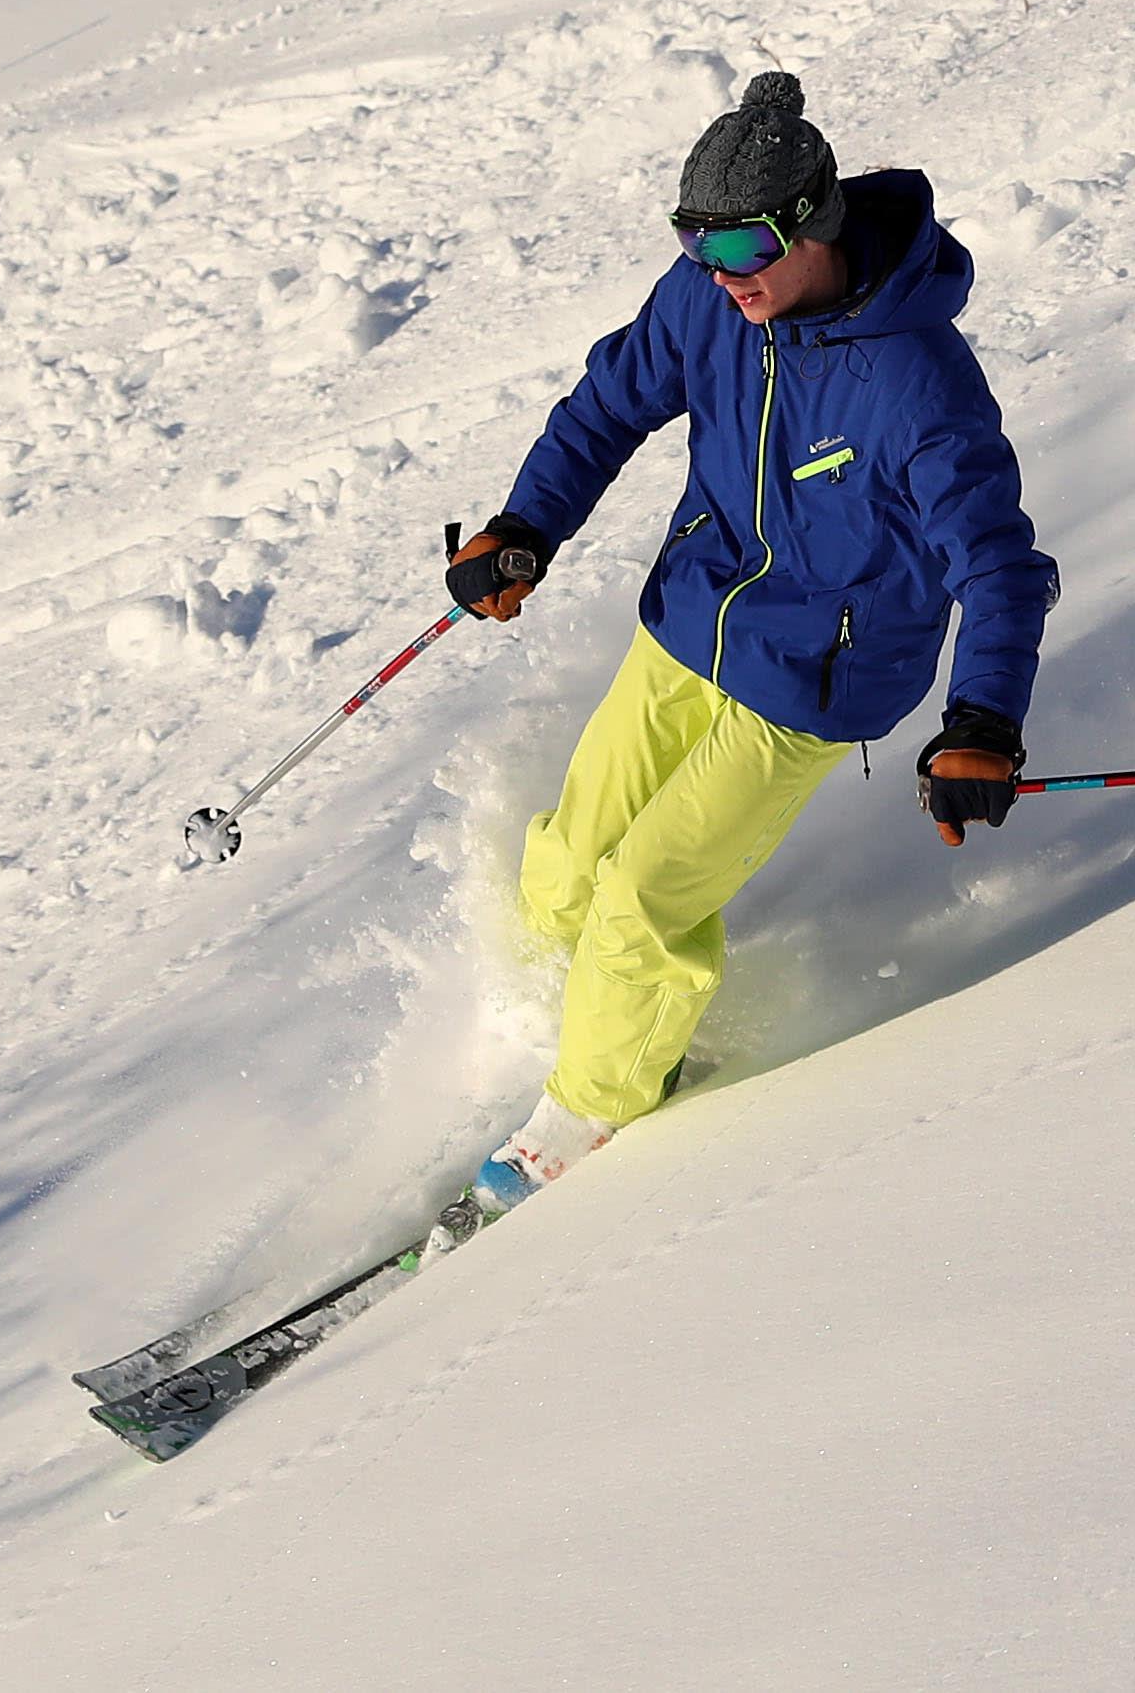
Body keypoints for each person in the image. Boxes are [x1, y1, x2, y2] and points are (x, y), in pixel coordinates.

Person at [441, 68, 1058, 1218]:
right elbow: (606, 405)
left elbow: (1000, 563)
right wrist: (526, 524)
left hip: (814, 678)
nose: (724, 277)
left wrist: (982, 721)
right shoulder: (706, 301)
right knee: (568, 863)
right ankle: (579, 1028)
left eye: (742, 249)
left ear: (813, 220)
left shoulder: (916, 382)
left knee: (639, 901)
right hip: (691, 620)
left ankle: (586, 1110)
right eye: (699, 245)